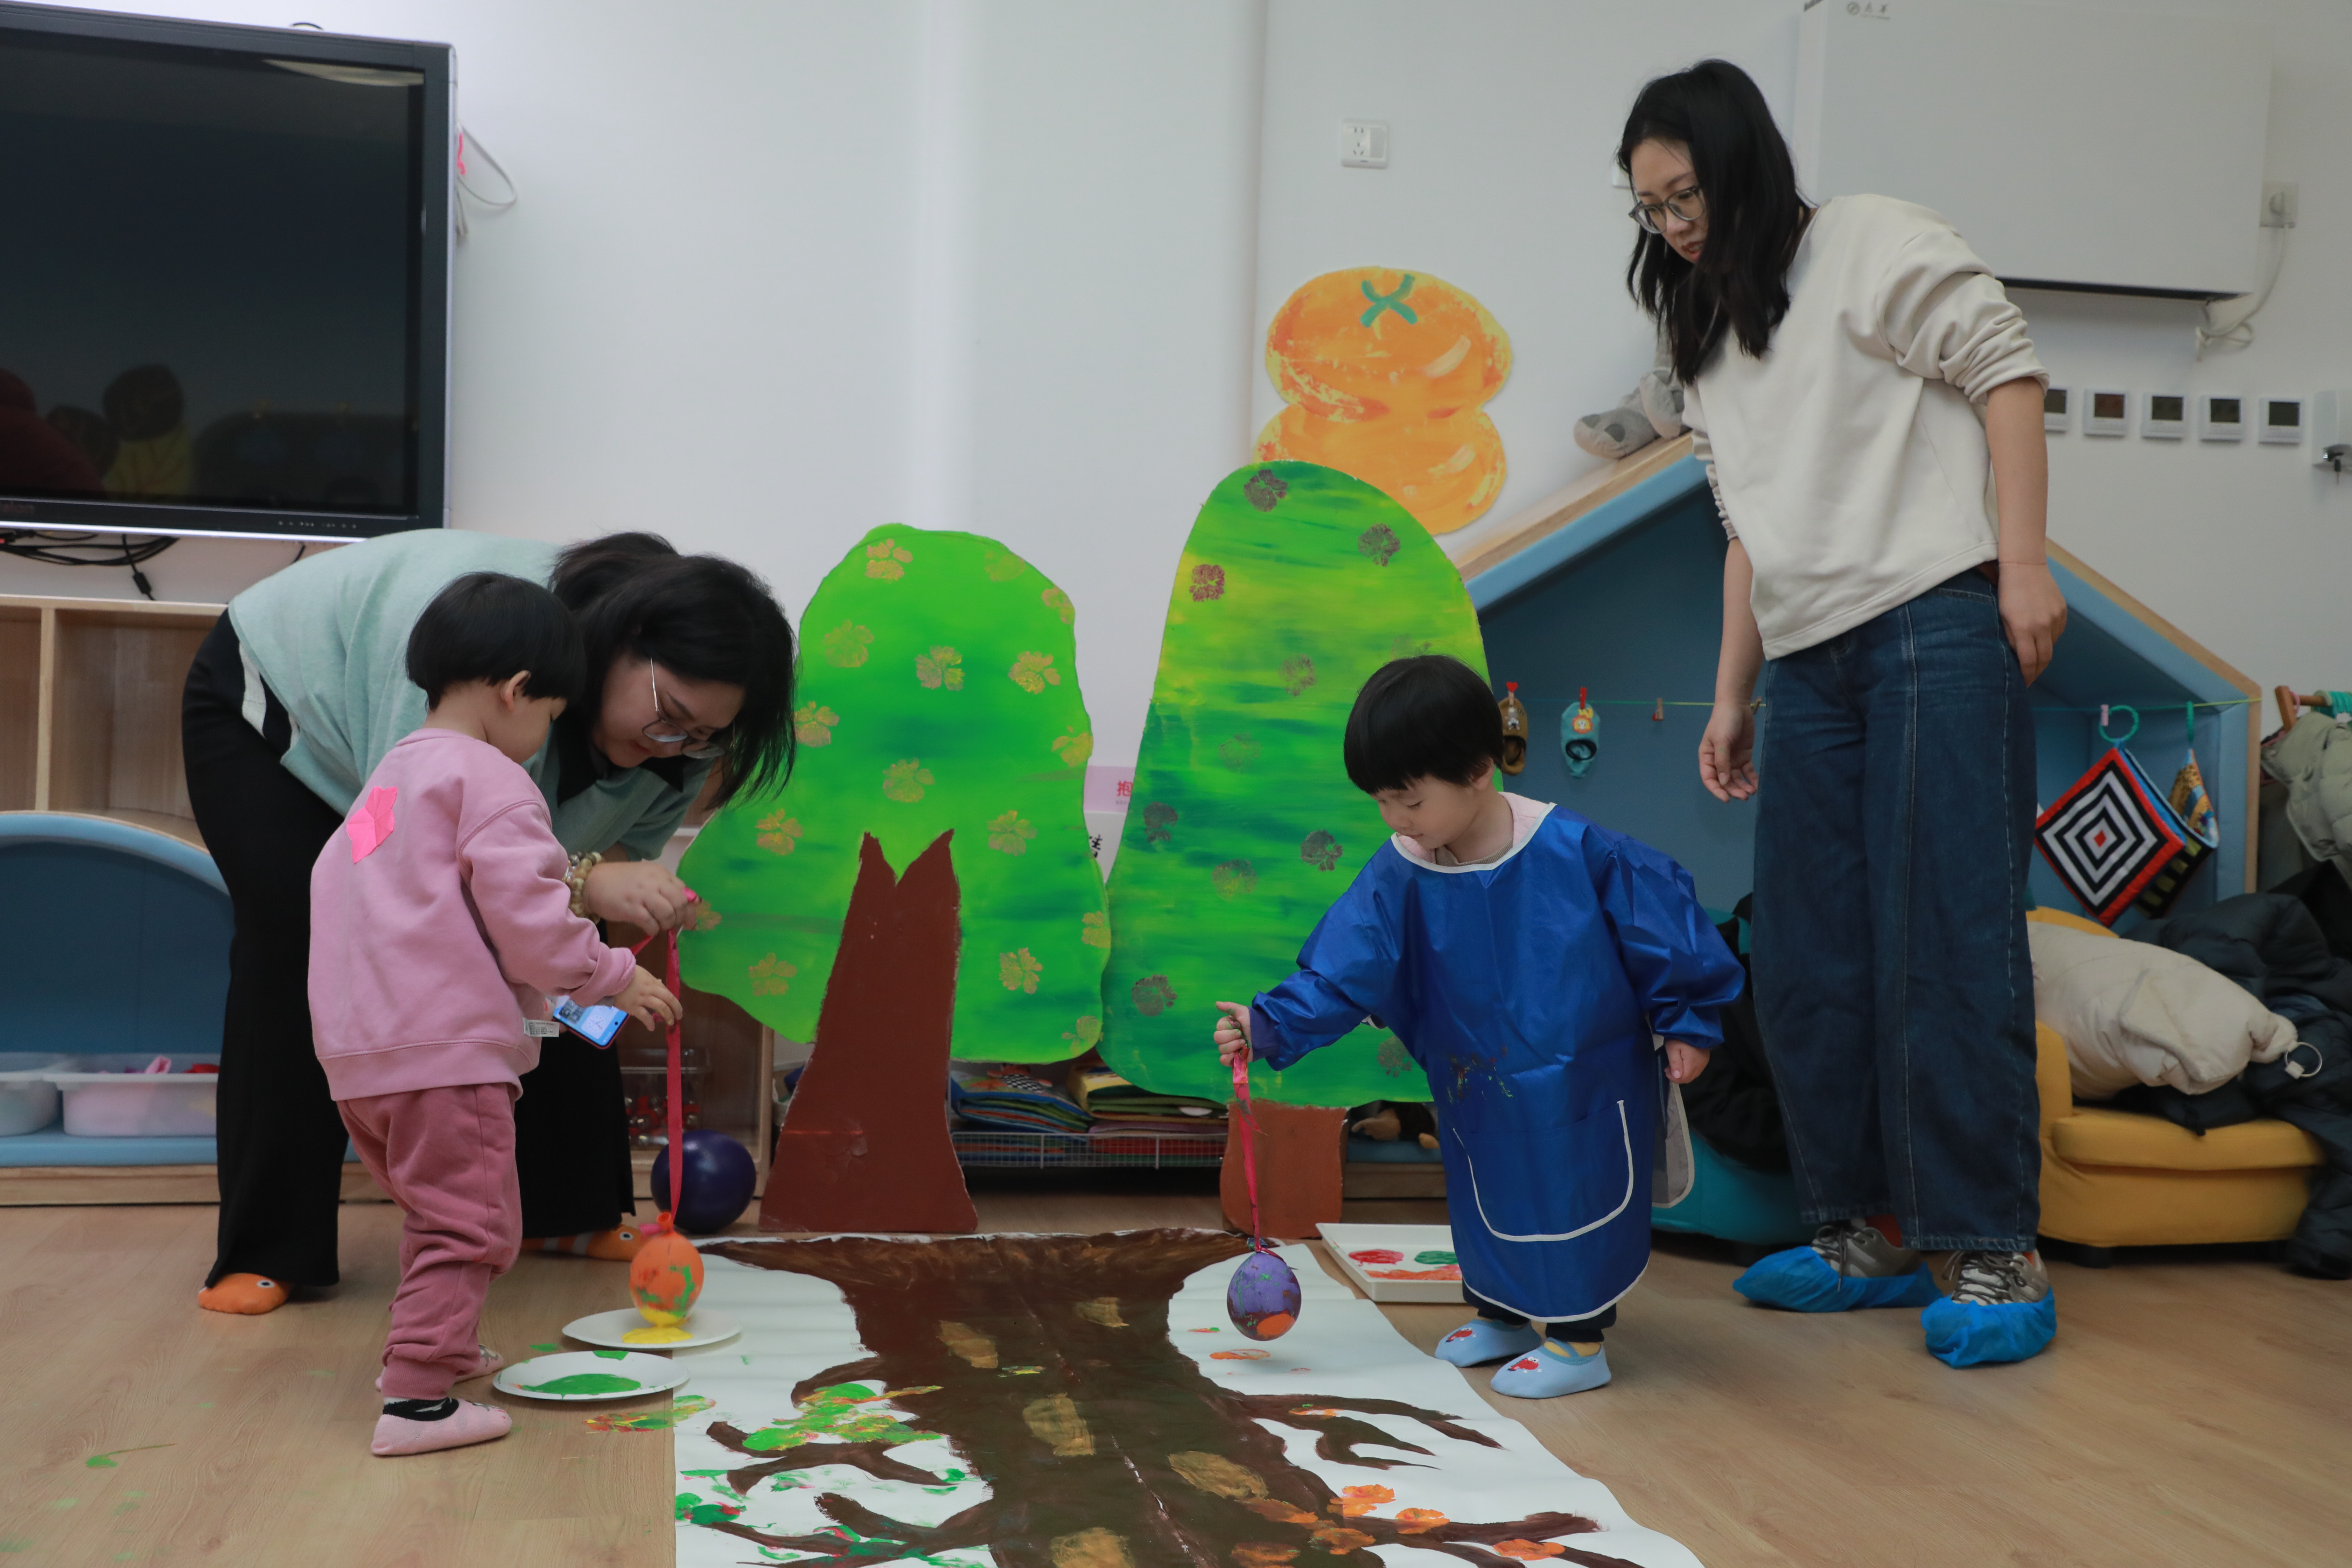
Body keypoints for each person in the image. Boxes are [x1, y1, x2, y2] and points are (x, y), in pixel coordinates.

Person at [1619, 61, 2067, 1365]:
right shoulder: (1700, 335)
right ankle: (1860, 1230)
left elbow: (2009, 376)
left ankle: (1991, 1245)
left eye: (1686, 195)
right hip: (1810, 662)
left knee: (1947, 938)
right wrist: (1732, 693)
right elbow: (1747, 529)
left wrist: (2023, 565)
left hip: (1937, 619)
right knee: (1809, 954)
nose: (1672, 225)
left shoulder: (1872, 240)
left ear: (1742, 164)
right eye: (1649, 208)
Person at [182, 529, 795, 1315]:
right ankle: (268, 1245)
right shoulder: (483, 657)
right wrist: (586, 881)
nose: (672, 746)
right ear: (617, 645)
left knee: (558, 951)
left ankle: (567, 1210)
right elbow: (418, 864)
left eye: (705, 736)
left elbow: (562, 906)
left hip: (436, 801)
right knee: (301, 940)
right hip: (289, 704)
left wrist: (603, 896)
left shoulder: (683, 745)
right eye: (669, 716)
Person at [1210, 656, 1744, 1398]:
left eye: (1410, 800)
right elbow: (1344, 967)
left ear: (1478, 771)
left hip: (1580, 1074)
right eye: (1382, 802)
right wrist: (1269, 1023)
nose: (1396, 820)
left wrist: (1688, 1019)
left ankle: (1580, 1342)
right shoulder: (1402, 869)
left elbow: (1664, 928)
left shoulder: (1577, 850)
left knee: (1570, 1192)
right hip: (1477, 1081)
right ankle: (1504, 1315)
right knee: (1486, 1193)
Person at [313, 573, 684, 1456]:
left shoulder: (389, 783)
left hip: (363, 1057)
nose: (547, 735)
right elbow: (534, 922)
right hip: (448, 1058)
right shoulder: (495, 782)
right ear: (517, 691)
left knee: (439, 1214)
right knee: (472, 1224)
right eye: (552, 714)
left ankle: (437, 1346)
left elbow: (348, 896)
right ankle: (417, 1401)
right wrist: (612, 974)